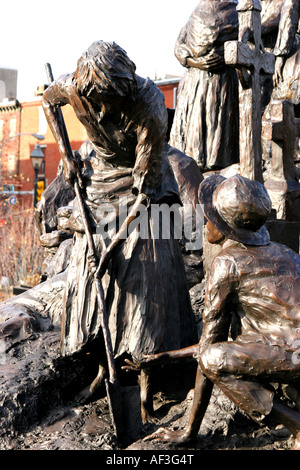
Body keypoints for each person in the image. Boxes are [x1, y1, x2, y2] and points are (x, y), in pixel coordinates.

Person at [42, 40, 197, 423]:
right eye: (99, 101)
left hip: (144, 191)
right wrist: (67, 154)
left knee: (146, 275)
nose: (106, 110)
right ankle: (101, 364)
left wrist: (114, 243)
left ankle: (147, 378)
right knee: (92, 279)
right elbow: (48, 101)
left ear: (125, 87)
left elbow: (145, 192)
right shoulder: (75, 86)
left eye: (113, 100)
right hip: (99, 182)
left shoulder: (148, 105)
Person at [124, 174, 300, 449]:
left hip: (291, 355)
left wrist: (188, 431)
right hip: (288, 349)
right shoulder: (287, 253)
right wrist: (163, 357)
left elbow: (209, 351)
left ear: (226, 227)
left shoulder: (227, 263)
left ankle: (297, 426)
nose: (206, 225)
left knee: (212, 358)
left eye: (211, 219)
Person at [169, 0, 239, 171]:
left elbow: (245, 43)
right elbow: (179, 47)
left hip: (222, 83)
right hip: (195, 82)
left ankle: (217, 163)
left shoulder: (236, 11)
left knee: (218, 127)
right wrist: (195, 62)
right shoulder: (197, 12)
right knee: (194, 128)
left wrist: (225, 57)